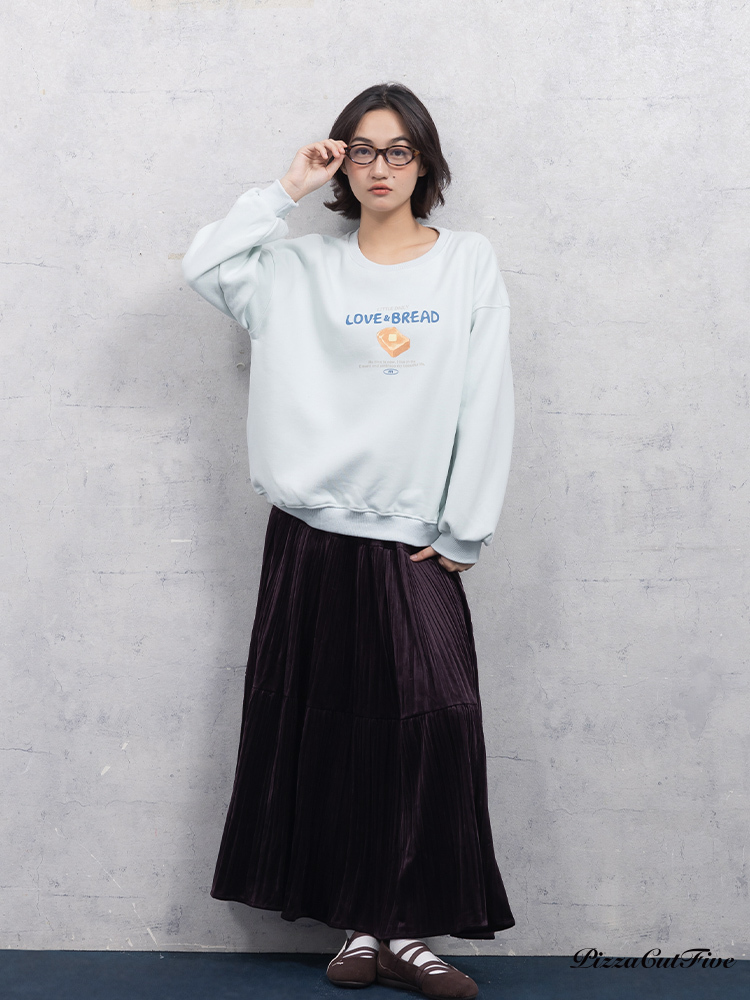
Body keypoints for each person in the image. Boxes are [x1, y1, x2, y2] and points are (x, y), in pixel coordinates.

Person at [182, 81, 516, 999]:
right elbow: (204, 265)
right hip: (310, 537)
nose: (379, 167)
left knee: (432, 726)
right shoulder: (297, 269)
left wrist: (466, 529)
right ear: (340, 161)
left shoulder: (466, 262)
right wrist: (283, 189)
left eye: (398, 150)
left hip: (416, 541)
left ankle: (407, 928)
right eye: (360, 150)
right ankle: (364, 930)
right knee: (327, 733)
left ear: (425, 162)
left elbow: (487, 393)